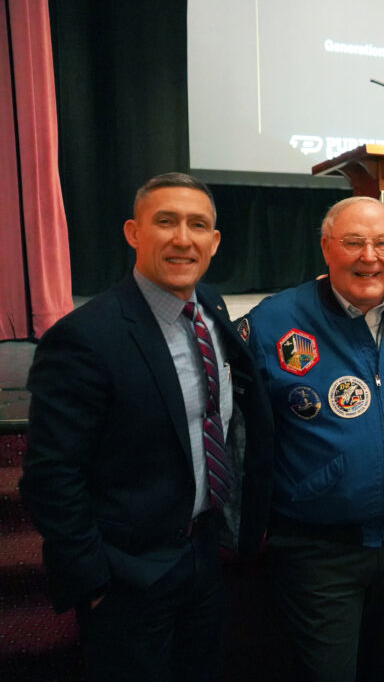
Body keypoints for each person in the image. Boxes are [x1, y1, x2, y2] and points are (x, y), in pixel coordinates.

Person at [20, 172, 274, 681]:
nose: (183, 238)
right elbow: (51, 476)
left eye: (198, 225)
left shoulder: (213, 308)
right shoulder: (85, 338)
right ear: (134, 233)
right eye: (166, 222)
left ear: (215, 241)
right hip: (128, 574)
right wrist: (92, 580)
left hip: (205, 553)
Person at [240, 196, 384, 682]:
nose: (369, 256)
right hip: (320, 553)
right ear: (326, 248)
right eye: (353, 242)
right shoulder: (272, 322)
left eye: (382, 243)